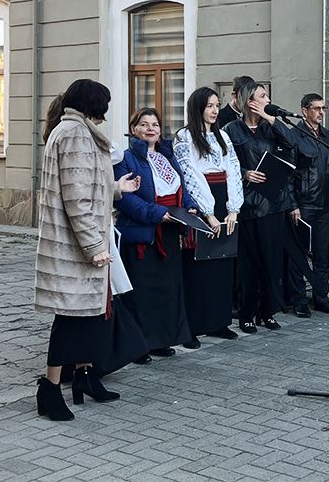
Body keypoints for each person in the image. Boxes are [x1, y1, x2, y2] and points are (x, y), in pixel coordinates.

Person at [34, 79, 140, 421]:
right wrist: (95, 246)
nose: (106, 112)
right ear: (94, 104)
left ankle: (84, 376)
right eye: (105, 104)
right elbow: (77, 198)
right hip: (76, 245)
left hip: (78, 240)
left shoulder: (72, 132)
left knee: (88, 317)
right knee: (70, 319)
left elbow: (85, 187)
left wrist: (115, 189)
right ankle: (49, 389)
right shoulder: (76, 135)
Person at [114, 108, 199, 357]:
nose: (151, 128)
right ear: (134, 129)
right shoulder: (125, 159)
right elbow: (125, 199)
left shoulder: (167, 157)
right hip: (143, 233)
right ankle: (139, 346)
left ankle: (162, 339)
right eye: (144, 124)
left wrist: (189, 207)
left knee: (167, 290)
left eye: (155, 124)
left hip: (170, 231)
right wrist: (155, 214)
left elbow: (181, 186)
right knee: (141, 293)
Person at [223, 80, 296, 333]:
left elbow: (292, 144)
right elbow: (224, 163)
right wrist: (244, 173)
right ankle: (246, 313)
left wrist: (269, 117)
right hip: (248, 204)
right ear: (248, 101)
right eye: (262, 96)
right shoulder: (231, 129)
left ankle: (268, 312)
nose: (267, 100)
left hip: (273, 203)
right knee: (249, 263)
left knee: (271, 260)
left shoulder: (270, 127)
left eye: (266, 96)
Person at [173, 87, 243, 343]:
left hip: (224, 198)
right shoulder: (185, 137)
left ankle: (218, 321)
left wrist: (233, 207)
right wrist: (208, 213)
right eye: (210, 106)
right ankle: (192, 326)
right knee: (198, 266)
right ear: (197, 108)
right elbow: (189, 174)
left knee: (222, 263)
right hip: (202, 202)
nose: (214, 111)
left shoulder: (222, 135)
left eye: (216, 105)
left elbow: (233, 168)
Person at [291, 93, 329, 315]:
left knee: (323, 254)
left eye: (323, 108)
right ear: (305, 111)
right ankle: (299, 300)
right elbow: (289, 174)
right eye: (316, 108)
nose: (321, 112)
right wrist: (293, 205)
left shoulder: (328, 137)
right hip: (303, 204)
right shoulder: (294, 135)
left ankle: (321, 297)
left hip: (324, 204)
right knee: (299, 255)